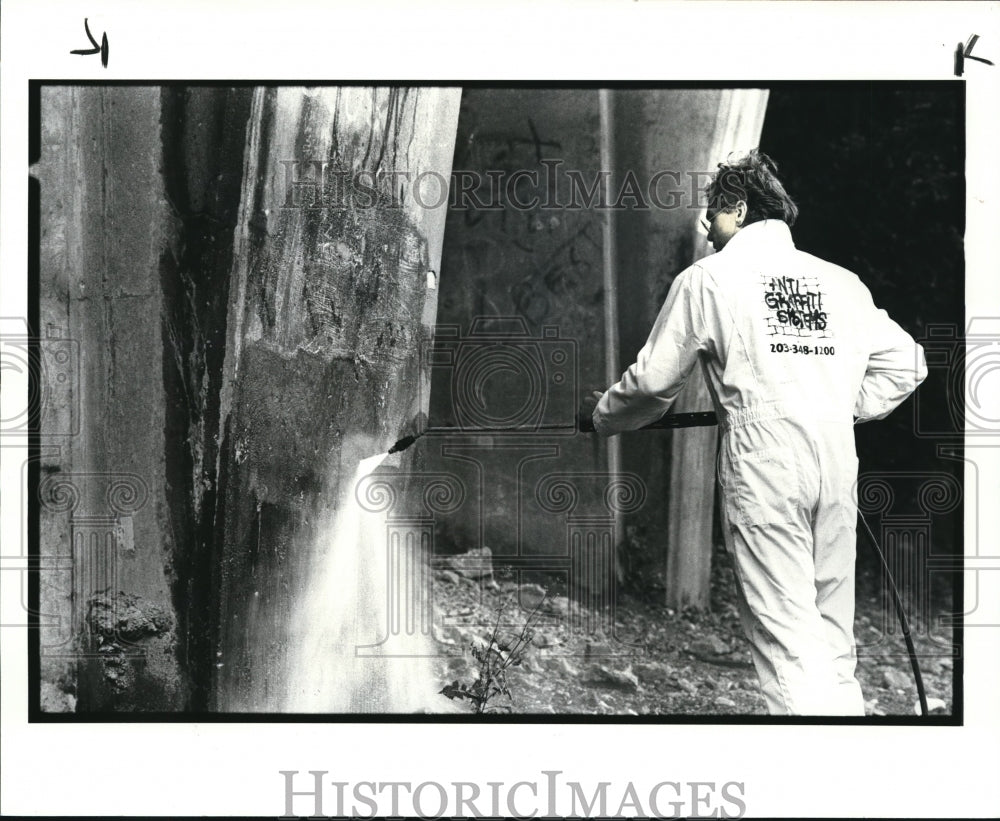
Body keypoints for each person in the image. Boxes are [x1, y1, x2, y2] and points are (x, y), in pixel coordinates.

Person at [588, 149, 927, 715]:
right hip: (836, 464)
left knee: (787, 643)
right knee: (831, 639)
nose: (706, 229)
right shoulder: (840, 282)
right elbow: (908, 364)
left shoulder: (710, 278)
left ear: (738, 209)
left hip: (766, 465)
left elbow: (651, 386)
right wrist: (837, 406)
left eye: (712, 216)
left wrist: (601, 416)